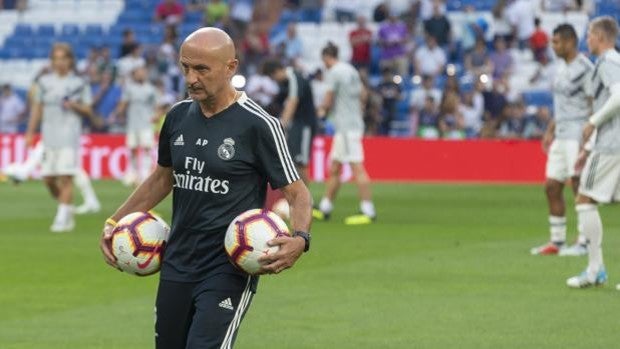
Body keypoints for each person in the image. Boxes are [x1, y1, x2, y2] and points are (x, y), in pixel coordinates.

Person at [99, 27, 312, 348]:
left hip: (227, 267)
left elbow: (297, 193)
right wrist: (114, 223)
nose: (191, 78)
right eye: (185, 67)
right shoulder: (177, 116)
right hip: (176, 262)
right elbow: (161, 178)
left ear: (231, 68)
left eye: (201, 69)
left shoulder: (259, 124)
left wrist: (301, 238)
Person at [566, 16, 620, 288]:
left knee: (584, 200)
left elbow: (619, 95)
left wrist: (593, 122)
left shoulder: (607, 63)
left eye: (589, 35)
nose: (586, 40)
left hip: (612, 144)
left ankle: (595, 269)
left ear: (599, 37)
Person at [530, 24, 593, 257]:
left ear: (569, 42)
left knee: (579, 185)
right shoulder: (561, 69)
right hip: (562, 132)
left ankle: (584, 241)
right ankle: (557, 241)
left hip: (577, 132)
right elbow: (561, 104)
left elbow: (592, 102)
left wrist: (589, 135)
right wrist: (550, 129)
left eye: (556, 42)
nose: (553, 46)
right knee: (552, 186)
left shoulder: (585, 69)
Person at [24, 43, 94, 232]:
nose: (60, 62)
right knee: (47, 179)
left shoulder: (79, 83)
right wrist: (30, 132)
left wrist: (74, 105)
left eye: (64, 58)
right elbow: (37, 109)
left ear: (70, 60)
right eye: (56, 59)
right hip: (49, 136)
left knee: (66, 177)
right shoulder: (44, 82)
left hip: (69, 136)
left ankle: (62, 219)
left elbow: (88, 108)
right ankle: (67, 207)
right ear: (52, 61)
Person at [313, 42, 376, 225]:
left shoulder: (333, 73)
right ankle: (325, 208)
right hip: (350, 124)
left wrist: (320, 112)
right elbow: (364, 94)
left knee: (357, 168)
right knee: (335, 167)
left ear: (326, 57)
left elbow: (328, 98)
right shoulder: (351, 70)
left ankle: (368, 210)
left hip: (347, 128)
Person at [263, 59, 318, 184]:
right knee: (293, 160)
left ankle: (306, 201)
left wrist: (280, 125)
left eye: (272, 77)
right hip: (296, 125)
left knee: (301, 162)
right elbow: (276, 103)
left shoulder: (294, 77)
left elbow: (293, 102)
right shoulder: (285, 83)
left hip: (304, 125)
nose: (274, 81)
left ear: (276, 71)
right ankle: (300, 199)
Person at [113, 66, 164, 186]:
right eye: (138, 73)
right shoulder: (129, 89)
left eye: (143, 72)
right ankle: (133, 174)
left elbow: (159, 106)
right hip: (132, 125)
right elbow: (123, 104)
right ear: (134, 75)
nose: (141, 75)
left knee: (146, 149)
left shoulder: (151, 89)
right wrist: (118, 112)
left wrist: (157, 115)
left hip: (146, 124)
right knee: (133, 149)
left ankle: (145, 174)